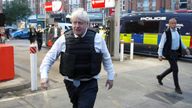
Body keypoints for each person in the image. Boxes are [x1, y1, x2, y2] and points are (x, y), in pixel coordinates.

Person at [40, 8, 115, 108]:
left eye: (80, 23)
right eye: (74, 23)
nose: (77, 26)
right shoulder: (63, 39)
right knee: (77, 105)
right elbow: (49, 58)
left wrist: (111, 77)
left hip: (90, 84)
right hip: (70, 84)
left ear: (87, 24)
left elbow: (106, 58)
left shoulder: (97, 39)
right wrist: (44, 76)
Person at [156, 18, 190, 94]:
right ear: (169, 24)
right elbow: (161, 44)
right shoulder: (166, 32)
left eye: (175, 23)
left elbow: (180, 41)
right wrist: (160, 54)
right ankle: (177, 87)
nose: (174, 25)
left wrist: (186, 48)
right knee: (175, 69)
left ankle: (160, 77)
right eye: (172, 23)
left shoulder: (177, 31)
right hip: (169, 53)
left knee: (172, 68)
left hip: (175, 53)